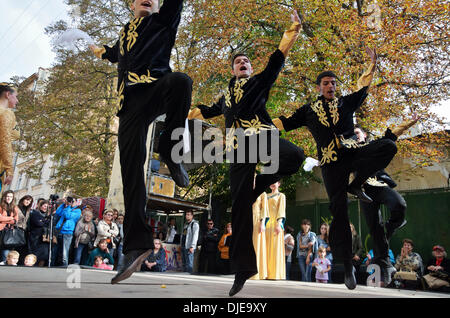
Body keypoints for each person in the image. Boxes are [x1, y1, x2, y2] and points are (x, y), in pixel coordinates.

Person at [188, 9, 305, 296]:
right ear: (232, 69)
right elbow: (208, 111)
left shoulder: (257, 83)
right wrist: (182, 111)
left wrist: (291, 31)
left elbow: (276, 62)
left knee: (295, 156)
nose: (243, 63)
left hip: (262, 136)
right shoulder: (226, 96)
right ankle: (242, 269)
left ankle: (258, 188)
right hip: (238, 147)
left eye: (246, 61)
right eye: (238, 61)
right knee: (239, 208)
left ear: (250, 70)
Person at [273, 47, 398, 289]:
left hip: (352, 154)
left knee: (388, 146)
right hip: (331, 164)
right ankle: (348, 269)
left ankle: (357, 182)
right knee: (339, 214)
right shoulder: (308, 111)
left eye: (333, 83)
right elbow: (285, 123)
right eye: (326, 83)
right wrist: (260, 123)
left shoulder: (346, 103)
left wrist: (372, 65)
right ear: (319, 87)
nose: (331, 86)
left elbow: (363, 87)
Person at [89, 0, 192, 284]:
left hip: (156, 88)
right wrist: (101, 52)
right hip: (129, 105)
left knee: (181, 81)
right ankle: (135, 243)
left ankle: (171, 151)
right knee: (130, 167)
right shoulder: (125, 32)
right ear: (131, 4)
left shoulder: (162, 21)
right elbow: (118, 54)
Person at [354, 116, 419, 285]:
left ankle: (391, 225)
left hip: (380, 186)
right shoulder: (349, 153)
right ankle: (384, 265)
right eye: (353, 136)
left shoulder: (374, 146)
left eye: (357, 134)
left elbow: (392, 135)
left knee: (399, 204)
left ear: (365, 135)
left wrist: (409, 123)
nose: (356, 137)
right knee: (376, 231)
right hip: (364, 192)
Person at [0, 83, 20, 193]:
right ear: (8, 94)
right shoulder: (6, 113)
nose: (17, 100)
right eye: (16, 96)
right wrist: (9, 169)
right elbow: (5, 141)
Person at [266, 181, 286, 280]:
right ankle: (265, 273)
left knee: (275, 248)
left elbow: (281, 210)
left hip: (275, 224)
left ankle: (275, 274)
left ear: (279, 183)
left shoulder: (281, 195)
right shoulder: (265, 195)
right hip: (265, 225)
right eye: (271, 181)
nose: (272, 183)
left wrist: (279, 223)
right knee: (266, 249)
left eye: (275, 182)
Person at [54, 197, 82, 266]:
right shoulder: (66, 208)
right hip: (59, 231)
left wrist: (69, 206)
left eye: (73, 201)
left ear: (76, 202)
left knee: (64, 253)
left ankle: (64, 266)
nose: (71, 202)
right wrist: (63, 204)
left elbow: (68, 216)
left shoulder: (78, 210)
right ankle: (54, 265)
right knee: (56, 251)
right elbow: (57, 213)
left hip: (67, 233)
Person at [29, 200, 57, 267]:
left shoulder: (49, 216)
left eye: (47, 207)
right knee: (35, 255)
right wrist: (45, 221)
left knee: (44, 256)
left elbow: (51, 224)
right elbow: (38, 223)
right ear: (40, 206)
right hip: (36, 237)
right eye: (44, 206)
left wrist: (43, 221)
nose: (46, 208)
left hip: (45, 239)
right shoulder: (35, 213)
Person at [250, 191, 268, 280]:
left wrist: (263, 223)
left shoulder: (262, 193)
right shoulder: (245, 190)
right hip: (246, 220)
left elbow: (264, 209)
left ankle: (255, 272)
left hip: (256, 220)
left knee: (256, 246)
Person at [0, 190, 19, 262]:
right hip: (1, 231)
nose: (9, 198)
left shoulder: (15, 208)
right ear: (4, 197)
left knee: (6, 253)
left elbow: (15, 220)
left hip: (9, 233)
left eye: (11, 197)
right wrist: (10, 218)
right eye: (7, 196)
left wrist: (4, 219)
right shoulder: (1, 206)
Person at [16, 195, 33, 264]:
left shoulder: (29, 210)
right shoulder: (16, 208)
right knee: (15, 248)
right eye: (27, 200)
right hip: (16, 230)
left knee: (23, 250)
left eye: (30, 201)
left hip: (25, 232)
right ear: (23, 199)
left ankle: (20, 264)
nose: (28, 202)